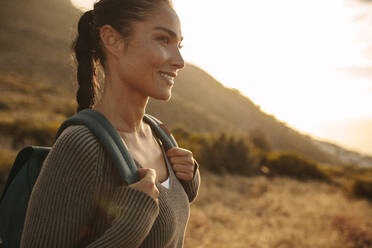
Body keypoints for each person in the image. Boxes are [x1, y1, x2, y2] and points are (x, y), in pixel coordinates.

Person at [20, 0, 201, 247]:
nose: (179, 60)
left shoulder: (159, 135)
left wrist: (188, 181)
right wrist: (130, 226)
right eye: (163, 40)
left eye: (178, 44)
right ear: (112, 40)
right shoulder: (81, 146)